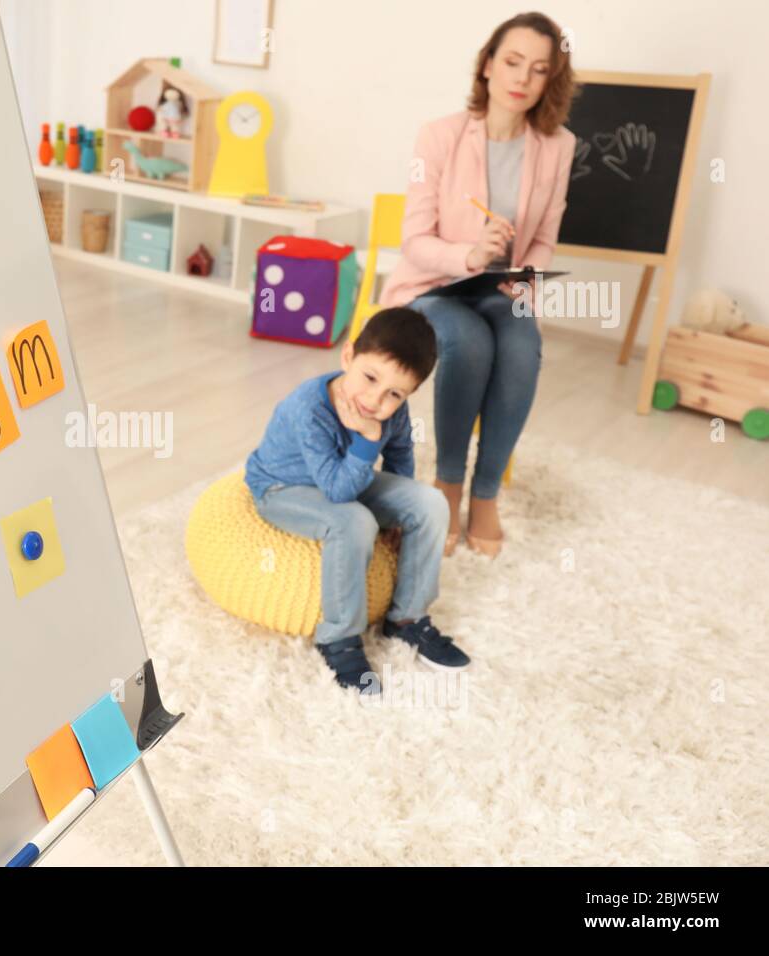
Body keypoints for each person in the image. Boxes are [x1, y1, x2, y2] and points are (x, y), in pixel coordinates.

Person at [380, 11, 577, 557]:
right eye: (512, 62)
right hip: (434, 284)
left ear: (549, 79)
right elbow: (415, 239)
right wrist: (468, 253)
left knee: (520, 342)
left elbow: (544, 240)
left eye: (539, 69)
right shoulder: (439, 136)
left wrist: (524, 284)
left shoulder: (558, 146)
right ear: (488, 64)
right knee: (467, 340)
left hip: (501, 289)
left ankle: (485, 496)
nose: (522, 78)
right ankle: (448, 484)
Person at [244, 308, 469, 694]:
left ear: (409, 394)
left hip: (346, 474)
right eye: (369, 378)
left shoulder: (392, 411)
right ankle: (338, 636)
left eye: (394, 394)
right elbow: (337, 492)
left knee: (432, 502)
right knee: (354, 521)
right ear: (348, 356)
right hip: (284, 488)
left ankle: (407, 618)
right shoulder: (309, 408)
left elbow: (399, 459)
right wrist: (367, 438)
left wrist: (399, 518)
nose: (374, 399)